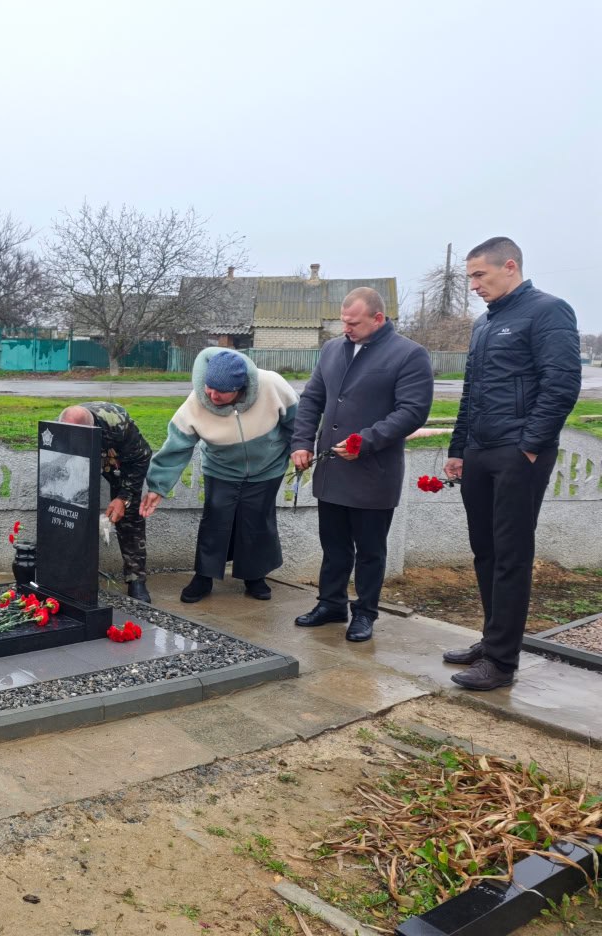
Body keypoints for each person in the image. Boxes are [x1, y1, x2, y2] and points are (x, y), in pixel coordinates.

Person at [442, 237, 581, 690]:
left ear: (509, 266)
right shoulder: (484, 323)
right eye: (470, 277)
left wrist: (530, 446)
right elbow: (470, 392)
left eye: (479, 275)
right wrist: (458, 449)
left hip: (518, 454)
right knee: (485, 550)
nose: (474, 286)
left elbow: (561, 383)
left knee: (511, 555)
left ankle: (501, 663)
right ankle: (491, 640)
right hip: (480, 451)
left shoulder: (548, 311)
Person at [290, 288, 433, 642]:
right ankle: (331, 604)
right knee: (334, 546)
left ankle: (365, 613)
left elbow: (412, 411)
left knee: (370, 551)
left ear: (378, 318)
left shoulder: (408, 354)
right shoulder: (331, 350)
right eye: (343, 321)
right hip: (332, 470)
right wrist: (302, 442)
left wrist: (365, 441)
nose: (346, 329)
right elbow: (312, 399)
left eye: (353, 323)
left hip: (373, 473)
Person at [141, 349, 298, 603]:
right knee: (215, 519)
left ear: (240, 387)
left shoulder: (272, 385)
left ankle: (254, 577)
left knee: (257, 520)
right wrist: (158, 486)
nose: (212, 396)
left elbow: (296, 422)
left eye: (221, 392)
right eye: (209, 388)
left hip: (267, 467)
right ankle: (204, 577)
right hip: (221, 468)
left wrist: (300, 449)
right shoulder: (197, 401)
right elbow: (176, 446)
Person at [57, 402, 154, 601]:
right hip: (79, 465)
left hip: (118, 462)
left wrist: (123, 497)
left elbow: (141, 457)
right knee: (69, 511)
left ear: (92, 428)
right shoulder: (60, 427)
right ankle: (70, 574)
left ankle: (136, 578)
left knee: (129, 514)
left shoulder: (117, 423)